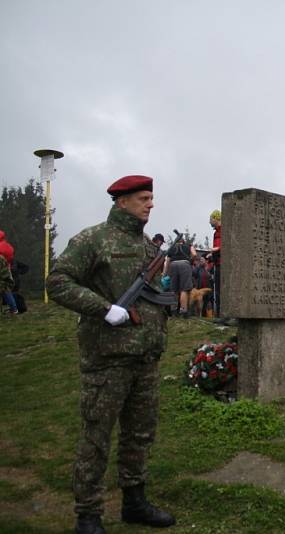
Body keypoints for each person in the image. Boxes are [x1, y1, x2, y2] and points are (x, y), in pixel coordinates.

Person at [46, 175, 175, 533]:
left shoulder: (149, 246)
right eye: (143, 198)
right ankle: (88, 514)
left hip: (145, 357)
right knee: (96, 437)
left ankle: (135, 502)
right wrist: (103, 308)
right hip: (107, 358)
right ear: (122, 201)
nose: (150, 204)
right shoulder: (93, 240)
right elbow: (57, 281)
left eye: (151, 198)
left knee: (140, 435)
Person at [163, 233, 196, 318]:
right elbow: (194, 254)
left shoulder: (172, 248)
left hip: (173, 265)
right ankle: (183, 311)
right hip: (185, 265)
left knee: (174, 290)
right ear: (183, 241)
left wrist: (164, 273)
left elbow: (167, 261)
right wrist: (191, 261)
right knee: (184, 289)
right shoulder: (188, 245)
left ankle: (173, 311)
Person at [0, 230, 19, 315]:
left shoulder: (0, 246)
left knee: (4, 290)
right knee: (6, 289)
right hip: (7, 267)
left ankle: (13, 309)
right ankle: (14, 309)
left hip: (2, 268)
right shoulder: (8, 245)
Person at [209, 210, 222, 317]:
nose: (209, 222)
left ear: (216, 218)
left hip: (224, 263)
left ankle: (224, 314)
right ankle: (218, 314)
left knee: (222, 289)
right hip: (217, 263)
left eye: (210, 219)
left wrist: (216, 249)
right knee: (217, 290)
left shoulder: (224, 230)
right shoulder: (215, 233)